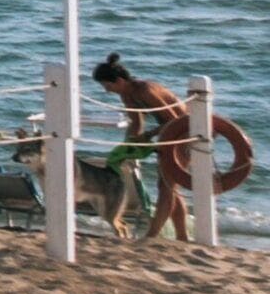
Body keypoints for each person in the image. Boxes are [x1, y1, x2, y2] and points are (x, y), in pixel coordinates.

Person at [96, 54, 253, 243]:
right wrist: (128, 146)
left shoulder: (145, 90)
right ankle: (182, 236)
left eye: (108, 86)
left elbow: (175, 120)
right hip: (170, 134)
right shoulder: (126, 94)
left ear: (119, 81)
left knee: (166, 186)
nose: (107, 91)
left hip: (187, 131)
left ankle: (152, 235)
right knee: (170, 184)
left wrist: (149, 135)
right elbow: (136, 122)